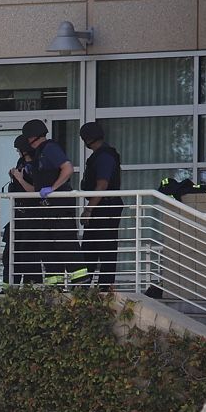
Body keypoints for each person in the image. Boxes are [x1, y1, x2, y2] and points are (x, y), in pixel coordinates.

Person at [21, 118, 87, 286]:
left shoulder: (50, 148)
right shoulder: (38, 154)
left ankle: (80, 283)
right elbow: (35, 190)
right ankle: (54, 286)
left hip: (58, 209)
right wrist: (20, 177)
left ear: (32, 138)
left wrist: (53, 188)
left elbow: (68, 168)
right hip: (46, 211)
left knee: (65, 243)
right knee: (47, 247)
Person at [78, 121, 123, 289]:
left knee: (104, 248)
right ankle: (84, 286)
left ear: (87, 139)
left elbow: (102, 185)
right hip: (103, 207)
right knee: (91, 247)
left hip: (105, 208)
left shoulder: (104, 156)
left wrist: (89, 209)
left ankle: (104, 288)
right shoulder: (103, 154)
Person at [5, 134, 41, 284]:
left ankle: (30, 286)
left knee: (29, 255)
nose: (18, 153)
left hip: (32, 216)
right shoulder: (21, 163)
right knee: (9, 254)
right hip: (18, 215)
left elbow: (35, 192)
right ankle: (9, 285)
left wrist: (20, 179)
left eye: (19, 149)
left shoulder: (38, 165)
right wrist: (14, 177)